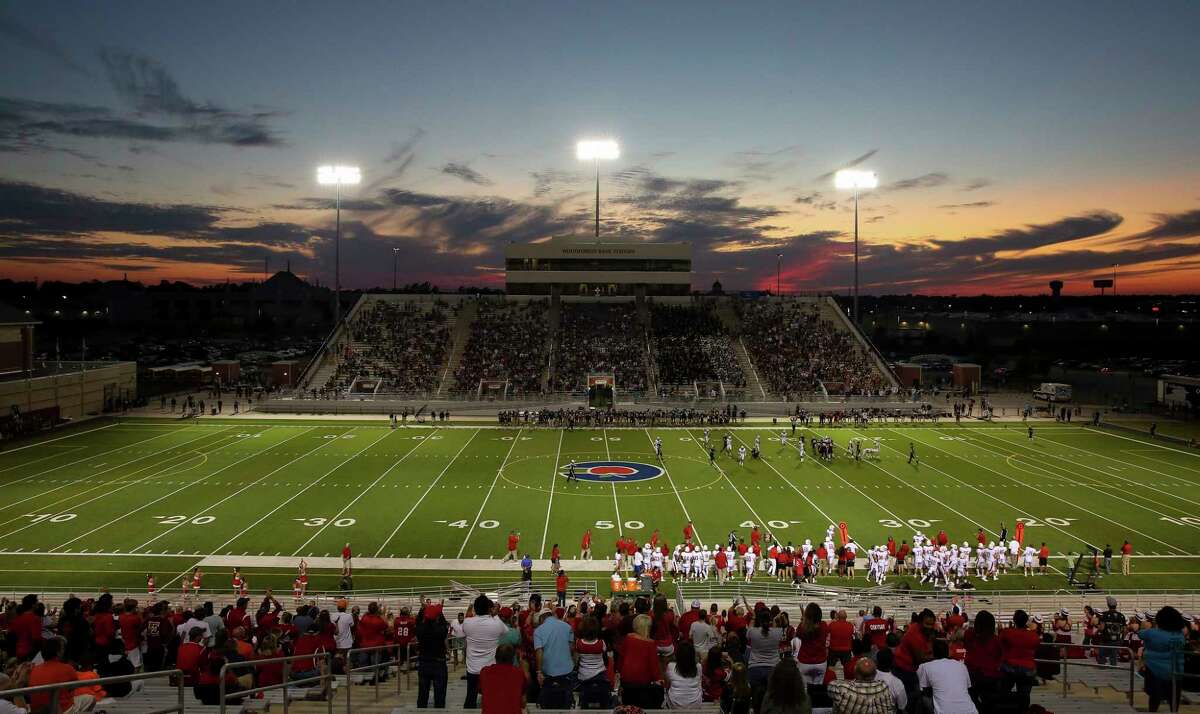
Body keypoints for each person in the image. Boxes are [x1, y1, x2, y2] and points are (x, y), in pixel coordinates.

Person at [462, 595, 509, 708]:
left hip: (473, 668)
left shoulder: (467, 623)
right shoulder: (496, 623)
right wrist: (495, 615)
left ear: (475, 608)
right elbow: (506, 631)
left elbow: (466, 625)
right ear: (489, 609)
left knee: (470, 697)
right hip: (490, 668)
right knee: (490, 698)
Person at [1141, 606, 1187, 712]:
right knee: (1174, 698)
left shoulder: (1152, 633)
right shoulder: (1180, 635)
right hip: (1176, 671)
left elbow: (1141, 634)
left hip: (1155, 670)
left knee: (1154, 698)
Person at [917, 638, 978, 713]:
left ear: (933, 653)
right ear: (948, 652)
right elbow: (968, 688)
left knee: (922, 697)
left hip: (944, 712)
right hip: (970, 711)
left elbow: (924, 690)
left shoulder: (926, 666)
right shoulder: (961, 666)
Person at [998, 610, 1040, 711]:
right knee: (1024, 696)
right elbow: (1036, 645)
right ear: (1026, 621)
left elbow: (1000, 643)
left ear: (1014, 620)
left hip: (1009, 667)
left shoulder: (1007, 632)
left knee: (1003, 692)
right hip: (1028, 669)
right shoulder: (1033, 635)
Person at [828, 657, 895, 714]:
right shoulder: (883, 686)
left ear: (855, 672)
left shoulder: (842, 689)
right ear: (875, 674)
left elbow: (831, 685)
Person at [415, 603, 449, 708]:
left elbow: (418, 620)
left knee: (423, 692)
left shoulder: (420, 630)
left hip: (424, 662)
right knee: (440, 694)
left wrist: (424, 611)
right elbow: (444, 625)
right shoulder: (440, 630)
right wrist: (440, 611)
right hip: (438, 663)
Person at [479, 643, 526, 714]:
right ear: (512, 659)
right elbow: (523, 699)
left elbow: (481, 690)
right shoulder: (519, 673)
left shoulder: (485, 672)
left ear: (496, 657)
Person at [666, 640, 704, 709]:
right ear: (692, 655)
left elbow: (668, 684)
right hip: (695, 705)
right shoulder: (698, 666)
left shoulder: (670, 666)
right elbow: (699, 684)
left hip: (674, 705)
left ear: (678, 654)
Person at [872, 648, 908, 713]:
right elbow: (902, 707)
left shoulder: (869, 675)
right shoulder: (897, 683)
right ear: (892, 662)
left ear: (876, 661)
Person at [1098, 596, 1128, 666]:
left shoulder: (1104, 615)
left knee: (1102, 656)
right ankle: (1113, 667)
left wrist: (1098, 628)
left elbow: (1102, 628)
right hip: (1117, 639)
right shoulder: (1121, 616)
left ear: (1108, 605)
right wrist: (1122, 639)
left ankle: (1102, 666)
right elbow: (1125, 630)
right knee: (1114, 657)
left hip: (1105, 639)